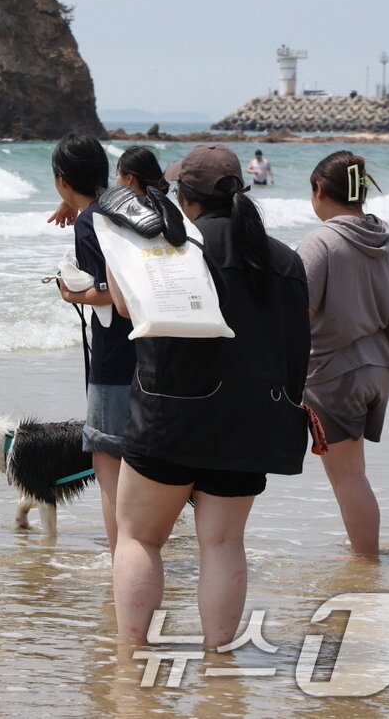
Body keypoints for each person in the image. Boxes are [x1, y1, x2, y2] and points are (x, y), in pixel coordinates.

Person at [109, 144, 310, 648]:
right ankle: (218, 662)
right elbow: (295, 352)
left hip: (167, 416)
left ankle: (134, 658)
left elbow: (126, 309)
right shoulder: (284, 260)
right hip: (249, 423)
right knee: (222, 544)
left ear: (183, 195)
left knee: (139, 538)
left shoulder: (174, 248)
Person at [297, 151, 389, 559]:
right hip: (380, 366)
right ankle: (361, 546)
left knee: (348, 477)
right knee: (354, 472)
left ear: (320, 190)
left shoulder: (321, 241)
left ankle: (366, 561)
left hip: (335, 372)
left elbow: (299, 314)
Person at [50, 134, 136, 552]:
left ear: (61, 180)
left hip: (113, 358)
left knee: (107, 461)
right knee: (140, 459)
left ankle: (122, 558)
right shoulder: (123, 206)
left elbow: (106, 290)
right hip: (147, 351)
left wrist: (72, 294)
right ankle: (143, 546)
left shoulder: (89, 223)